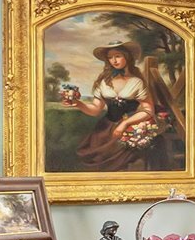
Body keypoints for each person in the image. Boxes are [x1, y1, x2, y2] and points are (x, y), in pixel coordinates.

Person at [61, 40, 180, 171]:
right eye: (110, 57)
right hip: (106, 129)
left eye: (117, 56)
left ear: (127, 57)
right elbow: (95, 110)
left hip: (130, 127)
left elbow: (148, 110)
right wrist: (79, 103)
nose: (114, 60)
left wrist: (125, 123)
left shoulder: (137, 82)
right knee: (96, 158)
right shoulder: (103, 82)